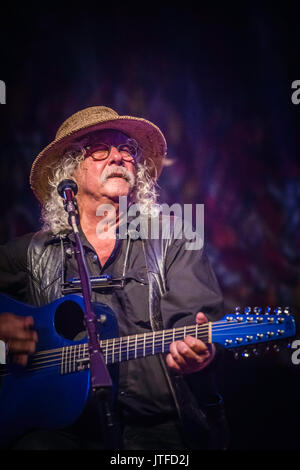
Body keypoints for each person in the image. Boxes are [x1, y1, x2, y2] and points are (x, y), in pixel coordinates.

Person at [0, 106, 228, 450]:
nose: (119, 157)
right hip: (61, 430)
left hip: (157, 429)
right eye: (100, 149)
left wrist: (198, 351)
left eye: (127, 151)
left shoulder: (173, 237)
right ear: (69, 171)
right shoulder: (32, 252)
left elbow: (194, 325)